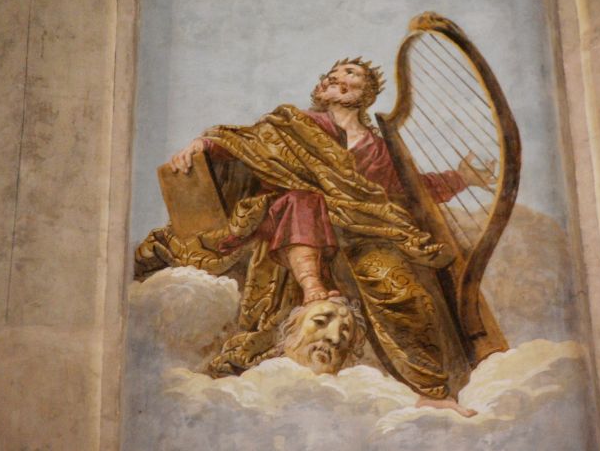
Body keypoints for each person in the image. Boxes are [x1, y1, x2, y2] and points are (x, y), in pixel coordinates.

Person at [146, 58, 495, 417]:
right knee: (304, 199)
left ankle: (431, 391)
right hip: (291, 220)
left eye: (350, 74)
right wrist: (203, 144)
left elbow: (412, 189)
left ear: (365, 93)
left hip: (361, 229)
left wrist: (462, 178)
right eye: (332, 75)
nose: (337, 78)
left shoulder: (377, 149)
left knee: (401, 291)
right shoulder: (294, 124)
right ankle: (312, 285)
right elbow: (247, 143)